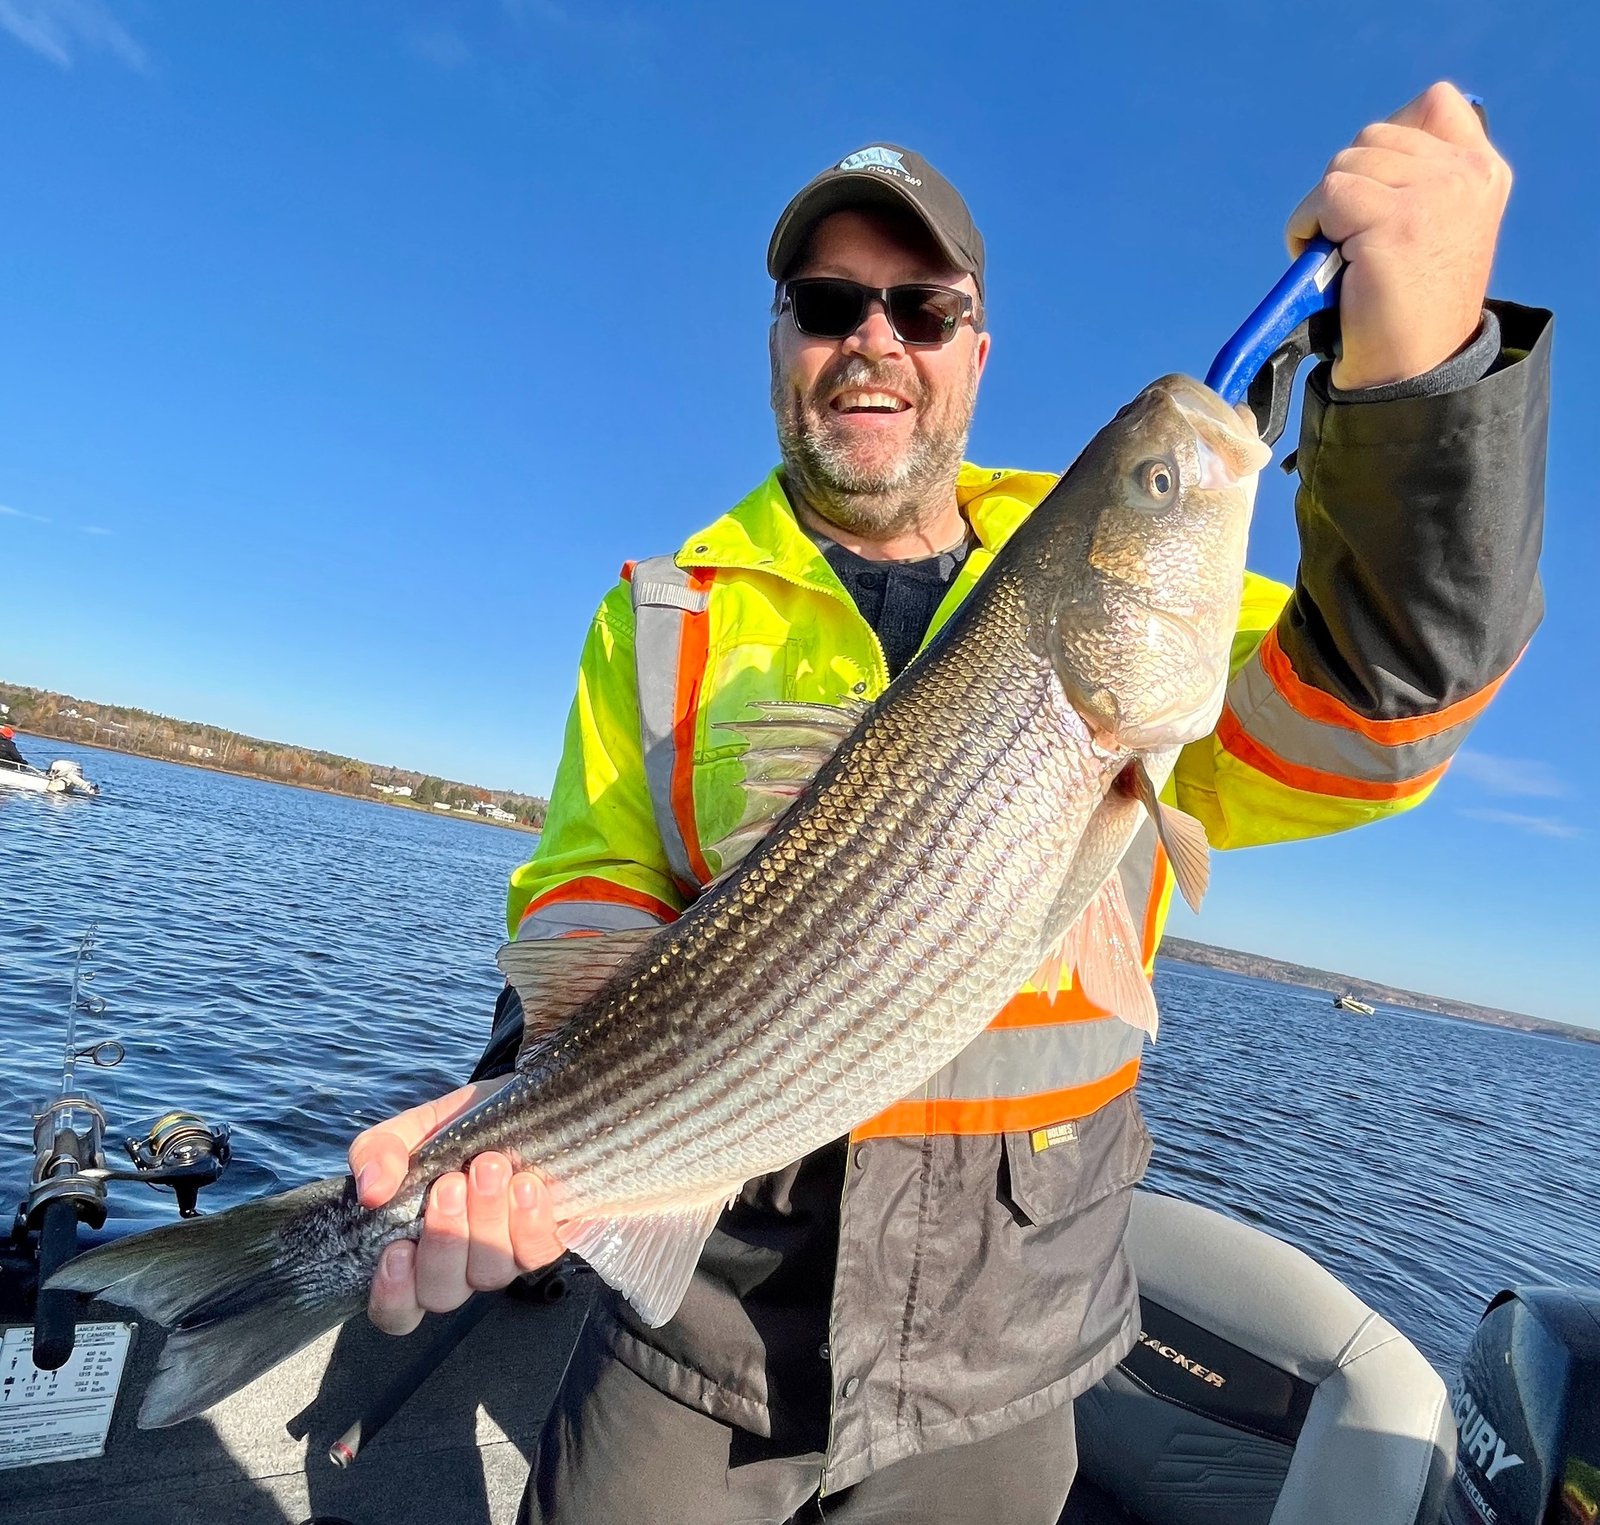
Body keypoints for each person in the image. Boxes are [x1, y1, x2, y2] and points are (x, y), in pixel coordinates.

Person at [350, 83, 1550, 1523]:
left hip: (1004, 1352)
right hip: (702, 1322)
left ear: (977, 351)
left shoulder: (1123, 614)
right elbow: (585, 894)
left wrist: (1423, 381)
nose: (874, 340)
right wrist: (540, 1107)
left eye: (921, 310)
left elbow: (1391, 694)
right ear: (781, 337)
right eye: (828, 301)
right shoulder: (661, 612)